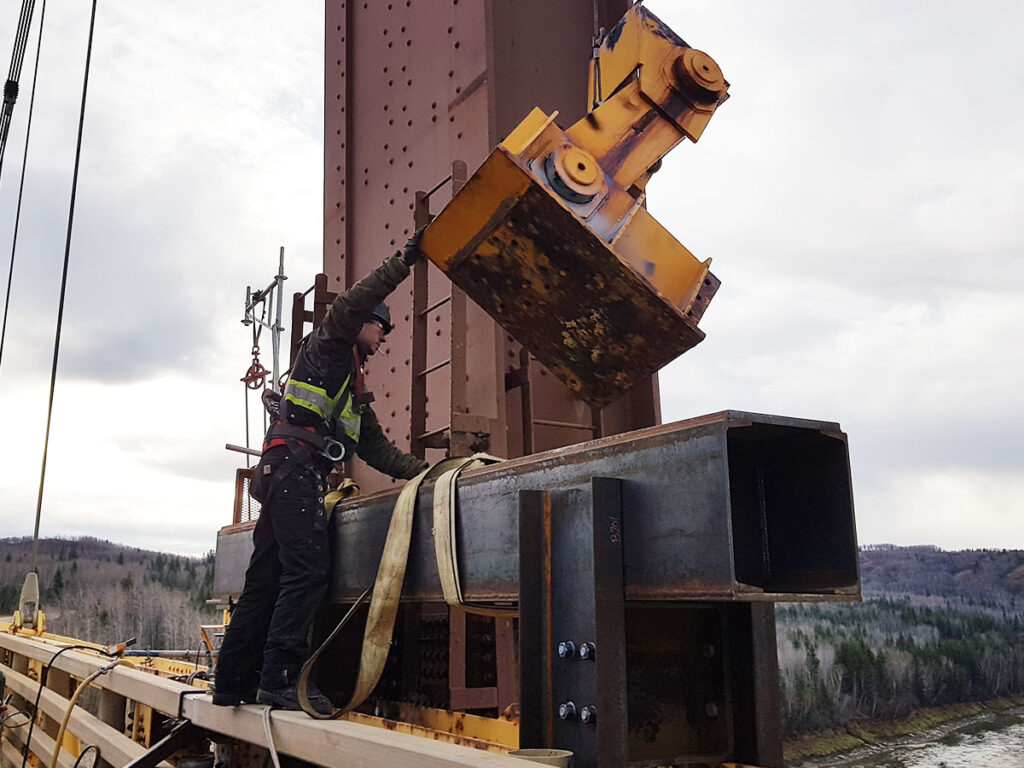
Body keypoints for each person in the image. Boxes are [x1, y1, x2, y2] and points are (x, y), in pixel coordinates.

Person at [213, 233, 429, 713]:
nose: (384, 338)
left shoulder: (349, 389)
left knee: (266, 579)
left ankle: (232, 681)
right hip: (294, 473)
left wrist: (430, 471)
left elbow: (379, 451)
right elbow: (352, 304)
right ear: (365, 325)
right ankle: (280, 679)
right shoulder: (329, 348)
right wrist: (403, 262)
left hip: (282, 472)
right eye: (382, 329)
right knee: (308, 574)